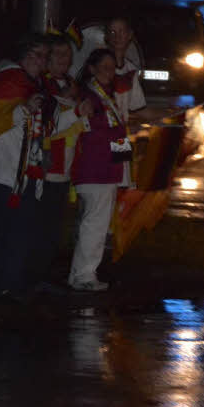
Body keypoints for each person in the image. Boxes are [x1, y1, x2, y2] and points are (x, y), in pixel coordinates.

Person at [0, 33, 49, 299]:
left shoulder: (29, 83)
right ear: (23, 56)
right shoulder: (9, 80)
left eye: (44, 56)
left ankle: (7, 283)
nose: (42, 61)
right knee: (4, 227)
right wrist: (25, 108)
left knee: (15, 228)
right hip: (2, 166)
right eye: (37, 55)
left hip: (19, 167)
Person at [28, 32, 87, 289]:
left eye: (68, 55)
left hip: (68, 167)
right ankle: (34, 276)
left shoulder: (73, 84)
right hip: (48, 166)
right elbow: (50, 124)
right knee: (41, 227)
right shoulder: (45, 86)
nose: (65, 59)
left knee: (54, 228)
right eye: (59, 54)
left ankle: (45, 274)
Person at [67, 48, 129, 291]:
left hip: (106, 170)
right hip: (94, 170)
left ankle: (80, 274)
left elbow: (118, 132)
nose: (109, 72)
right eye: (103, 67)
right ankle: (84, 276)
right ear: (91, 69)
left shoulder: (105, 96)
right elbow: (95, 132)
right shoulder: (89, 97)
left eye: (112, 68)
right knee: (94, 225)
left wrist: (124, 171)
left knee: (94, 223)